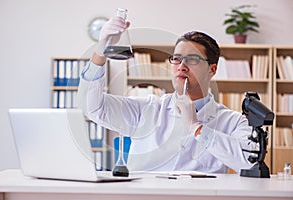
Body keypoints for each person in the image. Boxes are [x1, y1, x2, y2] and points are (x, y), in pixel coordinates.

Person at [77, 16, 257, 173]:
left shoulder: (232, 122)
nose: (181, 66)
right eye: (177, 59)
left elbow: (249, 163)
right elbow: (91, 107)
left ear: (212, 69)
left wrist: (197, 128)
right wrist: (100, 51)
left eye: (192, 59)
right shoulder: (146, 109)